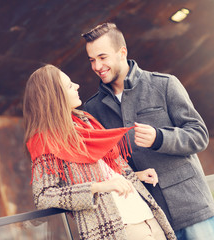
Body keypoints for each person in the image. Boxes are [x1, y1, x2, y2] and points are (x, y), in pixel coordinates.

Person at [81, 23, 214, 240]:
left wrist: (159, 138)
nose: (97, 65)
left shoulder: (164, 85)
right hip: (146, 220)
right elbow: (102, 166)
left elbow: (199, 135)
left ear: (122, 53)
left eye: (103, 57)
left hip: (191, 207)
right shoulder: (93, 109)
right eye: (92, 60)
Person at [23, 64, 176, 240]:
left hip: (147, 216)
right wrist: (97, 187)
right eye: (69, 85)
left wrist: (137, 176)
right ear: (55, 96)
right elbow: (44, 198)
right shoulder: (45, 141)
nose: (77, 85)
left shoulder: (86, 122)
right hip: (117, 228)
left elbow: (107, 171)